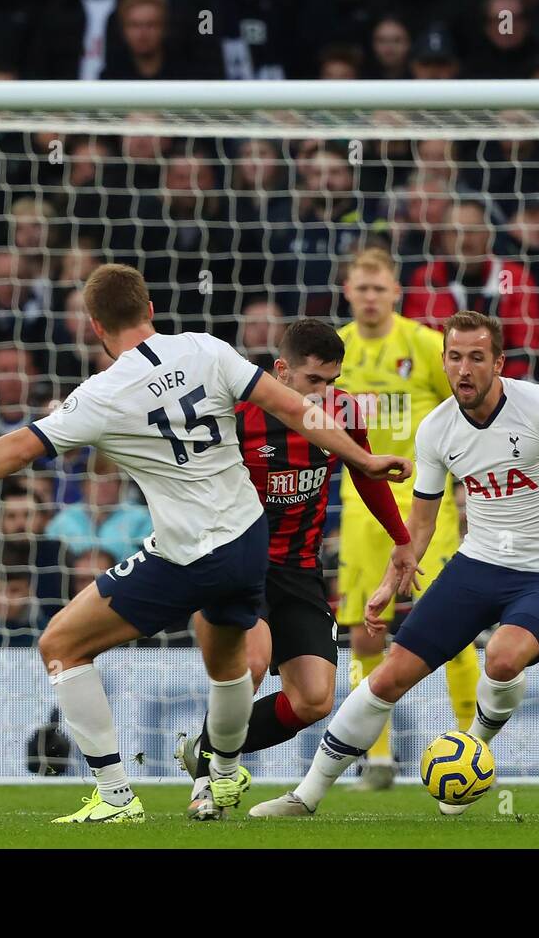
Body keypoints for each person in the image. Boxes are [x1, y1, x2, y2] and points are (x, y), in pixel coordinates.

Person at [0, 264, 410, 824]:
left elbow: (20, 447)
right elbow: (289, 406)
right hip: (248, 541)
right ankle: (222, 765)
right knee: (235, 665)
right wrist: (368, 459)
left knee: (61, 645)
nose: (326, 392)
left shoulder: (103, 393)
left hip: (191, 551)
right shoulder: (205, 349)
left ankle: (117, 795)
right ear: (150, 309)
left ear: (94, 326)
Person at [250, 311, 539, 818]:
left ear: (498, 362)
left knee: (500, 657)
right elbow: (422, 525)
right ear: (444, 361)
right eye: (455, 357)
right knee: (386, 679)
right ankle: (306, 796)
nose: (464, 369)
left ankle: (471, 750)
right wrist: (392, 582)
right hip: (475, 567)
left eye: (477, 357)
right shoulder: (436, 430)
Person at [175, 319, 415, 819]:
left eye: (331, 381)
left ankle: (204, 749)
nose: (324, 393)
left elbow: (367, 474)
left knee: (313, 701)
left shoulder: (344, 410)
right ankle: (206, 783)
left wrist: (402, 540)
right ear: (281, 371)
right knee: (253, 662)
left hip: (300, 570)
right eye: (314, 381)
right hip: (241, 563)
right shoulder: (236, 413)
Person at [333, 247, 480, 791]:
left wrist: (465, 486)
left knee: (455, 627)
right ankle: (377, 759)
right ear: (347, 291)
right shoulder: (339, 350)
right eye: (361, 288)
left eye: (379, 288)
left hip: (428, 511)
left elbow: (465, 410)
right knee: (366, 631)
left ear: (396, 292)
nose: (370, 297)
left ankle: (474, 743)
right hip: (362, 511)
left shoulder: (422, 345)